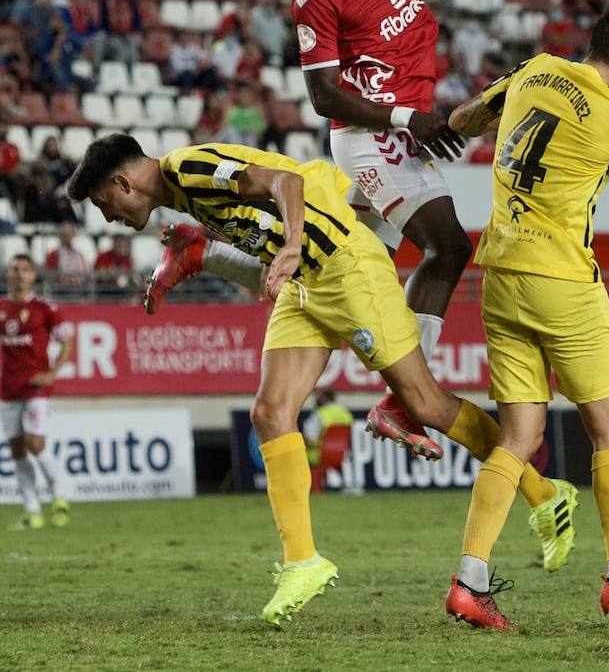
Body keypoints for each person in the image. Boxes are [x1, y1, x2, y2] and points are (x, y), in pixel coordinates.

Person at [66, 135, 573, 626]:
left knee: (423, 404)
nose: (107, 215)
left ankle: (544, 493)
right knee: (270, 413)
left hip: (345, 270)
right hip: (306, 284)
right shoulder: (181, 191)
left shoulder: (186, 168)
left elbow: (284, 181)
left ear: (121, 183)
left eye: (102, 202)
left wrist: (288, 247)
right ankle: (302, 562)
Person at [146, 0, 481, 467]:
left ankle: (205, 252)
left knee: (338, 266)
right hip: (371, 140)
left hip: (397, 130)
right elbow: (324, 98)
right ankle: (405, 398)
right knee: (448, 246)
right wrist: (412, 123)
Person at [440, 0, 609, 630]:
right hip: (564, 283)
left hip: (500, 274)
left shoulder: (534, 69)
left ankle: (470, 580)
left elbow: (463, 118)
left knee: (519, 438)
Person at [0, 255, 74, 531]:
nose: (19, 274)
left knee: (35, 443)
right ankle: (32, 511)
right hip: (9, 389)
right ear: (8, 275)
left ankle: (60, 497)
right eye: (15, 269)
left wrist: (52, 373)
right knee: (18, 450)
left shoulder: (45, 308)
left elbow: (67, 342)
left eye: (25, 270)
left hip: (37, 387)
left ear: (33, 276)